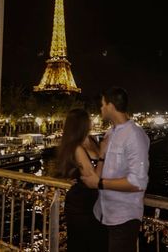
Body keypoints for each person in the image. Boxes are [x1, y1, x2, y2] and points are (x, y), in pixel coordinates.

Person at [81, 87, 150, 252]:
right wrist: (98, 153)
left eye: (103, 104)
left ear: (111, 106)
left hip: (123, 219)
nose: (101, 108)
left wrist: (100, 183)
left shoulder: (135, 136)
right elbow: (104, 166)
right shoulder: (109, 133)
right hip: (102, 214)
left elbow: (137, 182)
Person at [57, 108, 108, 252]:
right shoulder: (77, 148)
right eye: (89, 119)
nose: (92, 121)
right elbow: (94, 179)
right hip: (82, 205)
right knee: (83, 244)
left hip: (96, 201)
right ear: (82, 124)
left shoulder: (92, 140)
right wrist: (103, 154)